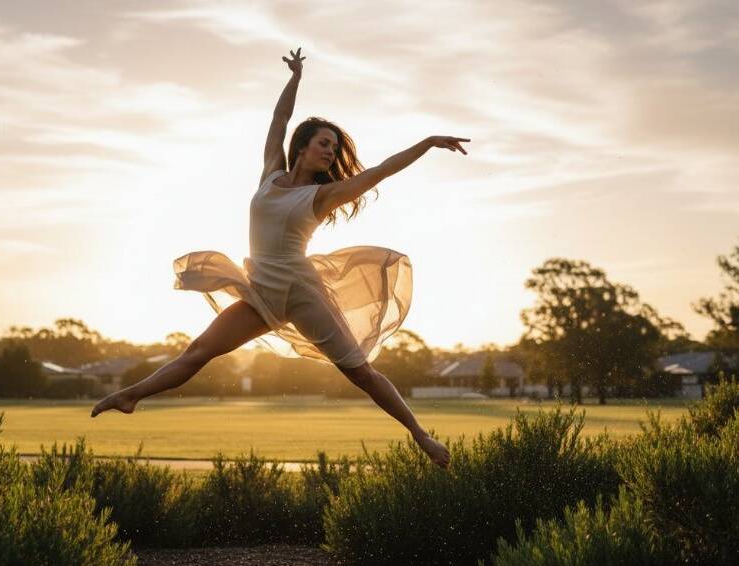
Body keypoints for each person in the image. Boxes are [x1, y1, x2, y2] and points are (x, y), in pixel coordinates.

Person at [91, 47, 470, 470]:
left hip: (302, 292)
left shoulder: (322, 195)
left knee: (360, 374)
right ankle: (129, 396)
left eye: (333, 147)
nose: (330, 152)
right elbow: (279, 122)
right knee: (198, 350)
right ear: (303, 148)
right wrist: (295, 79)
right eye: (323, 144)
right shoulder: (271, 173)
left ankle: (421, 435)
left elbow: (378, 171)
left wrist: (427, 143)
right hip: (261, 292)